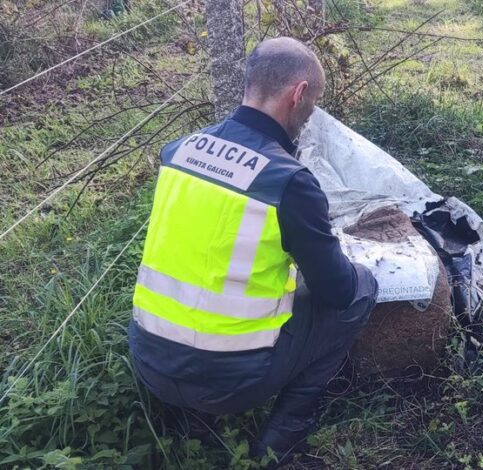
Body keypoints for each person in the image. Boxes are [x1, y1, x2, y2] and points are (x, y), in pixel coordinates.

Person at [127, 37, 378, 465]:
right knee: (362, 290)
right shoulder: (288, 181)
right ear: (298, 94)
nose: (309, 116)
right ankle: (281, 439)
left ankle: (191, 423)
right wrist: (354, 265)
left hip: (149, 362)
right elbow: (336, 292)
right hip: (230, 382)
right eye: (313, 104)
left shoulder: (178, 151)